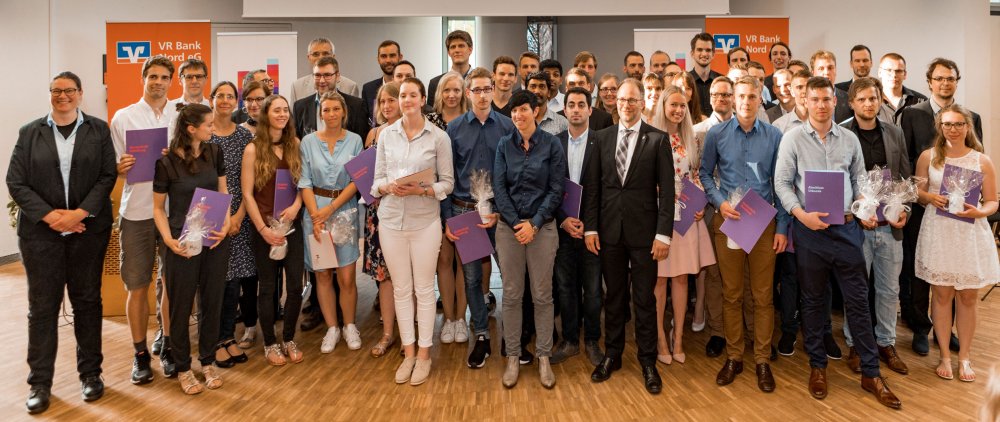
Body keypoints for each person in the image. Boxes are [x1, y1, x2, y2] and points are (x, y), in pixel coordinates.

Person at [774, 76, 901, 409]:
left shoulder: (849, 140)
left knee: (858, 301)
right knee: (813, 302)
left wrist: (864, 208)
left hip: (847, 231)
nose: (820, 105)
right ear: (806, 102)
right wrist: (800, 215)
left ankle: (871, 372)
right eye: (814, 99)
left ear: (835, 102)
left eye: (826, 99)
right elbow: (782, 184)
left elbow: (860, 182)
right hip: (810, 232)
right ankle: (818, 367)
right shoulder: (792, 139)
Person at [8, 71, 116, 414]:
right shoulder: (30, 132)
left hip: (88, 233)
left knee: (87, 302)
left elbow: (107, 175)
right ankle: (40, 383)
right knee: (42, 309)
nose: (63, 96)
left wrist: (80, 213)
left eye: (69, 90)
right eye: (56, 90)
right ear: (50, 94)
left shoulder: (98, 130)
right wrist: (52, 217)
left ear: (81, 94)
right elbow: (16, 181)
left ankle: (91, 375)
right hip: (41, 235)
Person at [583, 78, 673, 395]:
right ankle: (613, 355)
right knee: (614, 298)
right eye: (621, 99)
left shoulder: (657, 140)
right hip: (608, 232)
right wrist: (591, 228)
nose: (626, 105)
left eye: (633, 100)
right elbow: (593, 187)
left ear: (642, 103)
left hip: (646, 235)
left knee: (645, 300)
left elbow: (668, 193)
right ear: (614, 102)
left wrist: (664, 235)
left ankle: (647, 361)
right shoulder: (601, 138)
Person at [699, 76, 787, 393]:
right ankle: (735, 356)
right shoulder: (717, 134)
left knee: (763, 296)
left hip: (763, 223)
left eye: (752, 97)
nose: (747, 102)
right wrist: (720, 203)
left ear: (759, 100)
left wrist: (783, 228)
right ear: (733, 100)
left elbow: (782, 185)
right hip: (730, 221)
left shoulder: (775, 136)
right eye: (741, 97)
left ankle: (762, 359)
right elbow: (705, 174)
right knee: (732, 294)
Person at [371, 77, 454, 386]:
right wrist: (388, 186)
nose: (406, 100)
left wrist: (424, 190)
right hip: (390, 220)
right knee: (401, 289)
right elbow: (375, 181)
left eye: (411, 95)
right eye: (402, 95)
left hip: (425, 223)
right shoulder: (385, 136)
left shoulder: (438, 137)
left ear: (422, 100)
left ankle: (424, 354)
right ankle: (408, 352)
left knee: (423, 289)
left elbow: (448, 182)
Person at [899, 58, 983, 356]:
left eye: (951, 78)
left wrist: (970, 202)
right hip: (925, 209)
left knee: (956, 272)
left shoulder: (971, 116)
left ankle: (948, 332)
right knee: (923, 273)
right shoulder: (912, 114)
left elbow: (974, 162)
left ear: (957, 81)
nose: (945, 83)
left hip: (960, 215)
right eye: (939, 78)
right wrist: (920, 195)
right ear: (929, 82)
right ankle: (922, 328)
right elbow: (906, 161)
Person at [914, 104, 999, 382]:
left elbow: (993, 201)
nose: (953, 129)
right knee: (941, 295)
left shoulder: (981, 160)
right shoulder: (929, 157)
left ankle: (964, 357)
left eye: (959, 124)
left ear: (967, 126)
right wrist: (930, 198)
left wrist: (979, 211)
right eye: (948, 124)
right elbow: (918, 191)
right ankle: (945, 357)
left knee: (968, 296)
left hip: (969, 233)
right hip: (939, 231)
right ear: (940, 126)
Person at [152, 103, 232, 394]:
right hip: (181, 242)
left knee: (212, 302)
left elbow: (223, 191)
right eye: (208, 124)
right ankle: (184, 367)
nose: (213, 128)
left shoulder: (215, 152)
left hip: (214, 238)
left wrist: (225, 223)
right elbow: (159, 209)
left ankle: (207, 361)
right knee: (181, 306)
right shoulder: (165, 163)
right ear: (191, 129)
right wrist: (168, 241)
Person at [110, 56, 178, 384]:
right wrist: (119, 167)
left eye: (164, 77)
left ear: (171, 81)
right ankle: (139, 354)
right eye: (153, 76)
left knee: (171, 284)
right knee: (137, 285)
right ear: (143, 78)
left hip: (171, 212)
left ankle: (166, 342)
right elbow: (112, 166)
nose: (158, 82)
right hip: (136, 212)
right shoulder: (123, 117)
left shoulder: (179, 116)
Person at [493, 90, 566, 389]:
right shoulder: (503, 145)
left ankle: (544, 356)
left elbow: (556, 188)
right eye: (514, 111)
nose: (518, 116)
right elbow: (499, 188)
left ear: (535, 111)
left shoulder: (551, 145)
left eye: (523, 109)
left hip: (543, 229)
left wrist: (534, 224)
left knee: (542, 295)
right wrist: (515, 223)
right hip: (509, 230)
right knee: (510, 295)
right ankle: (512, 356)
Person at [839, 77, 910, 376]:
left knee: (889, 290)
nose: (869, 104)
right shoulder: (841, 133)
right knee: (855, 291)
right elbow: (837, 181)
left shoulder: (894, 132)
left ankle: (885, 343)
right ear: (852, 102)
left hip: (888, 227)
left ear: (880, 100)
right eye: (863, 99)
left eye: (873, 98)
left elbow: (904, 176)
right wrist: (853, 213)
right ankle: (856, 344)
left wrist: (904, 208)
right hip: (855, 228)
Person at [442, 68, 513, 367]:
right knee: (471, 278)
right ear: (468, 93)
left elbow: (513, 174)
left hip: (499, 212)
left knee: (509, 275)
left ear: (494, 90)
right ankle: (481, 334)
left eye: (488, 89)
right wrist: (447, 217)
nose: (483, 95)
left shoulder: (507, 126)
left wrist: (504, 212)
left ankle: (513, 337)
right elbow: (445, 176)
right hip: (464, 211)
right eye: (477, 90)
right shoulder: (454, 129)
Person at [649, 86, 717, 366]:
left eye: (682, 106)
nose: (678, 110)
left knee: (680, 279)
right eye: (673, 104)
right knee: (658, 281)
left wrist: (699, 201)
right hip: (657, 216)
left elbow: (697, 174)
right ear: (663, 105)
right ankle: (661, 338)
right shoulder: (650, 137)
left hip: (687, 216)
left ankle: (678, 337)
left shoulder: (691, 139)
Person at [240, 95, 306, 366]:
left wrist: (296, 206)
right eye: (276, 110)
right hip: (264, 229)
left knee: (294, 285)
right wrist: (263, 229)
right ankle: (269, 342)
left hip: (292, 226)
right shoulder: (253, 149)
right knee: (267, 288)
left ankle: (289, 338)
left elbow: (305, 185)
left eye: (285, 110)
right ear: (265, 114)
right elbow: (247, 194)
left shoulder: (296, 145)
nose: (281, 114)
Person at [299, 91, 363, 353]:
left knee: (347, 276)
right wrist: (316, 215)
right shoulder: (308, 142)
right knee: (323, 275)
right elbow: (304, 181)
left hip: (344, 210)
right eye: (326, 110)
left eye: (336, 109)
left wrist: (333, 208)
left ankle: (349, 326)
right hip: (315, 214)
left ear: (343, 112)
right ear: (320, 113)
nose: (331, 114)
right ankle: (332, 328)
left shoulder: (355, 141)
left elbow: (356, 180)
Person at [551, 87, 604, 366]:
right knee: (565, 287)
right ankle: (570, 340)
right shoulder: (553, 143)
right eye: (570, 104)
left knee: (593, 290)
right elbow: (550, 188)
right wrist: (563, 219)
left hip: (592, 231)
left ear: (589, 110)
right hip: (562, 229)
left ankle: (593, 340)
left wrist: (590, 226)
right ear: (565, 110)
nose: (575, 109)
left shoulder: (601, 141)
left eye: (581, 105)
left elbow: (604, 189)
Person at [206, 82, 253, 368]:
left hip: (239, 214)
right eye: (220, 95)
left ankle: (227, 337)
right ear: (211, 100)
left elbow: (251, 182)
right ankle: (212, 340)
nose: (225, 100)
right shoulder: (202, 134)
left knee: (233, 280)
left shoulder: (245, 136)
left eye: (230, 96)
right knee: (213, 281)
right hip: (209, 212)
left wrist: (237, 217)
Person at [690, 76, 733, 358]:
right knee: (715, 274)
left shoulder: (744, 127)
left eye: (727, 94)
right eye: (716, 95)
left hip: (739, 210)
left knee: (740, 275)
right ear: (710, 99)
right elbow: (694, 171)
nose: (721, 99)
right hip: (705, 211)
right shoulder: (697, 131)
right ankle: (718, 331)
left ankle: (743, 329)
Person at [364, 82, 401, 358]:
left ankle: (410, 334)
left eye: (392, 100)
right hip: (377, 211)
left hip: (407, 210)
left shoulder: (413, 130)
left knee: (407, 276)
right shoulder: (373, 134)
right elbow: (366, 175)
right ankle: (388, 333)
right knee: (385, 277)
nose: (387, 106)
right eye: (383, 102)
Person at [293, 56, 369, 141]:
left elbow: (362, 143)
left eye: (327, 75)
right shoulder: (299, 107)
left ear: (337, 76)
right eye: (317, 75)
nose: (322, 81)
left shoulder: (357, 106)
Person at [289, 38, 360, 105]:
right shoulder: (297, 87)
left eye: (325, 53)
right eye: (316, 54)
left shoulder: (350, 87)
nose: (321, 57)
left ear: (333, 56)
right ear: (309, 58)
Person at [876, 53, 927, 125]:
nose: (894, 75)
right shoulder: (870, 101)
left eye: (898, 71)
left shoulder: (921, 101)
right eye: (889, 70)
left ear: (905, 74)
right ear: (879, 72)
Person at [362, 40, 402, 125]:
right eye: (384, 56)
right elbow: (367, 123)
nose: (388, 60)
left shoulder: (406, 88)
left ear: (400, 57)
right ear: (378, 59)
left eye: (392, 55)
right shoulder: (368, 89)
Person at [428, 30, 474, 105]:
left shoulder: (483, 81)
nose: (457, 50)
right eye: (453, 47)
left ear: (470, 50)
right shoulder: (435, 83)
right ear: (449, 52)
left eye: (461, 46)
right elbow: (431, 114)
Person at [808, 50, 852, 123]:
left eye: (830, 68)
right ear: (812, 73)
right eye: (821, 69)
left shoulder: (848, 99)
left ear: (835, 70)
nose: (826, 72)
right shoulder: (806, 100)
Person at [689, 32, 722, 117]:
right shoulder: (685, 81)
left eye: (708, 50)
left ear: (713, 54)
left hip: (718, 129)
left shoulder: (722, 80)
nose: (704, 54)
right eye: (699, 50)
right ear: (692, 53)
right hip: (692, 129)